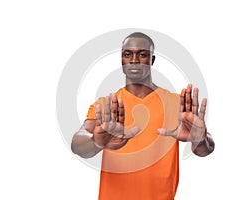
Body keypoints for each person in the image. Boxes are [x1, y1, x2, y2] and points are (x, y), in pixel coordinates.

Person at [71, 32, 215, 200]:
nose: (134, 60)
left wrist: (199, 140)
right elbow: (77, 143)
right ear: (121, 59)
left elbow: (205, 150)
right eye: (127, 54)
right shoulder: (106, 105)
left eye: (142, 54)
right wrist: (96, 142)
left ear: (152, 60)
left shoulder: (177, 105)